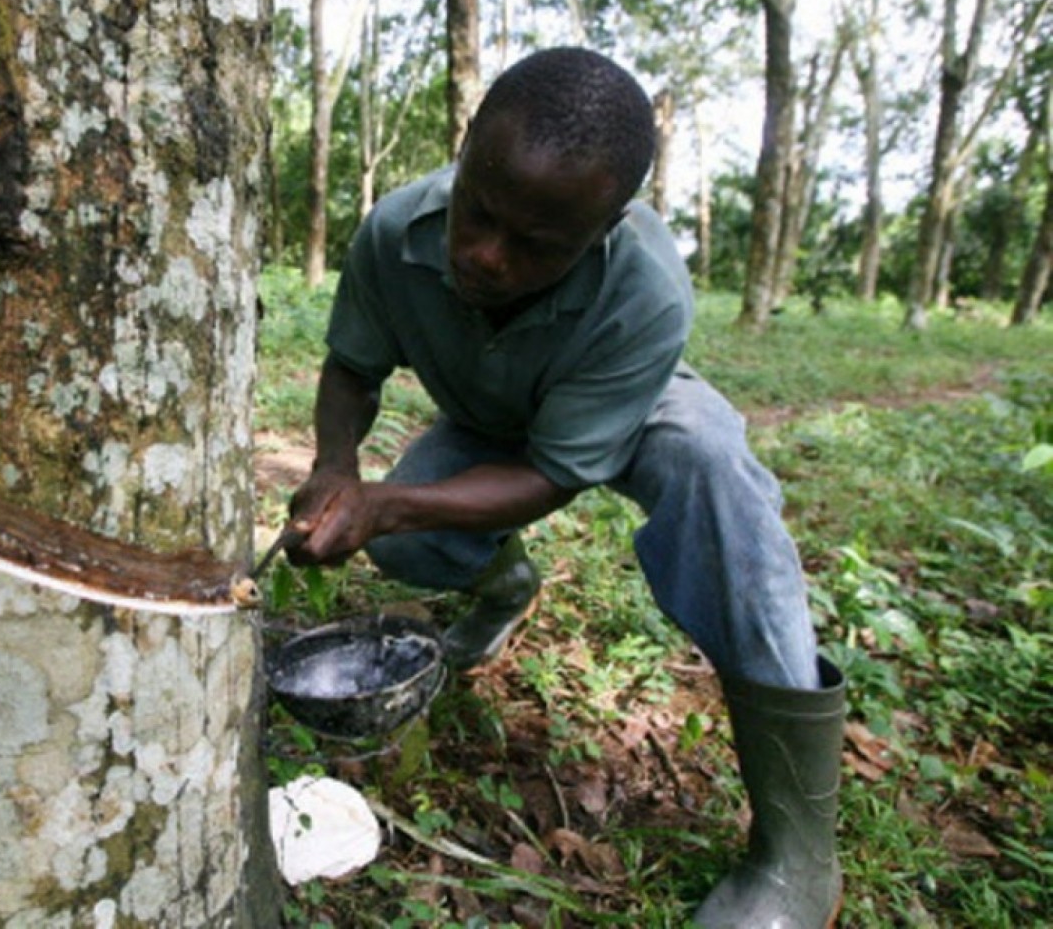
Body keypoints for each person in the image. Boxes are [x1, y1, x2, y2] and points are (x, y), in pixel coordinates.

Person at [284, 47, 845, 927]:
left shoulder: (646, 291)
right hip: (487, 418)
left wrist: (387, 498)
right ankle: (504, 587)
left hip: (623, 406)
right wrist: (335, 468)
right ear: (465, 151)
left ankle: (798, 852)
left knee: (714, 475)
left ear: (607, 225)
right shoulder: (395, 233)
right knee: (402, 541)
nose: (485, 256)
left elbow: (552, 472)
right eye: (476, 213)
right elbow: (351, 369)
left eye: (535, 245)